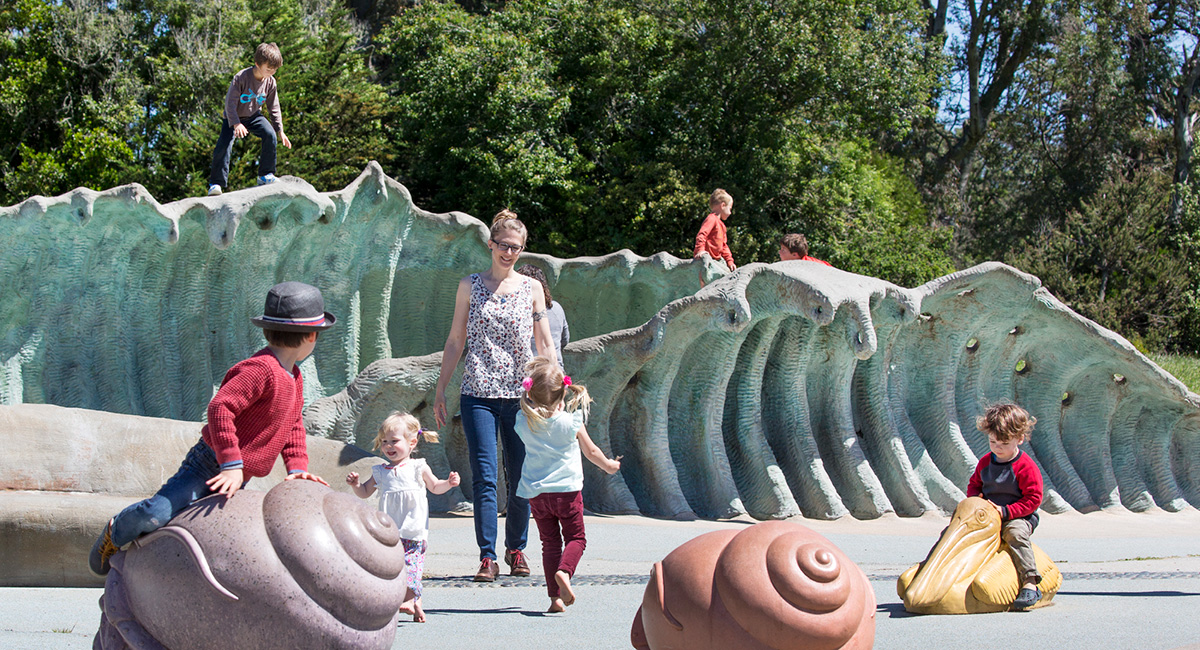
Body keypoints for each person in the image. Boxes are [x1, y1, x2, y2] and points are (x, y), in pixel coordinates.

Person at [88, 281, 334, 576]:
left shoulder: (293, 376)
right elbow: (220, 408)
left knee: (206, 532)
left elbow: (293, 424)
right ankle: (115, 531)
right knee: (158, 514)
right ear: (310, 336)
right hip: (209, 465)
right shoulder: (260, 369)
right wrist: (230, 464)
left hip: (236, 475)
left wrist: (296, 468)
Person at [433, 210, 557, 582]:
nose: (509, 253)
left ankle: (516, 548)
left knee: (521, 475)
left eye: (516, 248)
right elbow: (456, 340)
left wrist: (555, 393)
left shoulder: (531, 288)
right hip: (478, 393)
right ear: (490, 245)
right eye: (503, 245)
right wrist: (441, 387)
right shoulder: (469, 285)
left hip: (522, 397)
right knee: (486, 476)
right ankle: (487, 556)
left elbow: (545, 344)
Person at [514, 356, 620, 613]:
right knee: (576, 538)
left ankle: (555, 599)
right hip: (567, 492)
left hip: (537, 494)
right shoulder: (571, 421)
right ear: (564, 394)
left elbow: (530, 413)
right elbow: (591, 451)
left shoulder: (523, 421)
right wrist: (609, 465)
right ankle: (565, 571)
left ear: (531, 394)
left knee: (550, 543)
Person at [346, 412, 460, 623]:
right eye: (384, 442)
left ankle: (408, 599)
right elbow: (365, 492)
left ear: (412, 442)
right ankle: (416, 603)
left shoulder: (418, 466)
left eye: (394, 441)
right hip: (389, 531)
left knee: (411, 564)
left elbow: (434, 486)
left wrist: (449, 483)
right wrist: (356, 485)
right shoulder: (380, 471)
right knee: (394, 568)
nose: (389, 446)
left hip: (414, 530)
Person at [966, 402, 1044, 611]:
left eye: (1003, 442)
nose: (997, 447)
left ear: (1019, 438)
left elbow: (1033, 498)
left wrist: (1007, 511)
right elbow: (974, 485)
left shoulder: (1025, 466)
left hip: (1019, 515)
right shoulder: (985, 462)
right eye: (992, 441)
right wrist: (977, 501)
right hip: (990, 514)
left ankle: (1030, 582)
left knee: (1015, 534)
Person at [207, 43, 293, 196]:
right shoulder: (241, 78)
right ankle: (216, 184)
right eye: (269, 69)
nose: (272, 72)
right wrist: (236, 123)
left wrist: (280, 130)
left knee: (269, 134)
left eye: (275, 69)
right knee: (223, 146)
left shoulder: (271, 82)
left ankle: (265, 175)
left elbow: (274, 106)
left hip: (253, 116)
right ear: (257, 64)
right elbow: (230, 104)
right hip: (233, 117)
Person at [516, 264, 569, 372]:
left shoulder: (517, 313)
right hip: (556, 374)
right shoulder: (556, 308)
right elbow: (565, 340)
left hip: (530, 376)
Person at [693, 189, 736, 286]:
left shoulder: (722, 225)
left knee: (729, 277)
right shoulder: (712, 218)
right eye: (730, 208)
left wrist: (730, 261)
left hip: (717, 259)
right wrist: (700, 250)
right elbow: (701, 234)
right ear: (723, 205)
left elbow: (724, 246)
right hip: (708, 259)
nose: (730, 213)